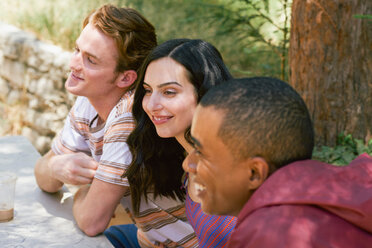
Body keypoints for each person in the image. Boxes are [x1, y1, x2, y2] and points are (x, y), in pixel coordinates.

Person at [183, 77, 372, 248]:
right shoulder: (350, 187)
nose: (188, 164)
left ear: (254, 173)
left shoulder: (271, 234)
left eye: (200, 152)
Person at [33, 3, 157, 246]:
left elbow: (92, 222)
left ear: (126, 78)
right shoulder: (88, 101)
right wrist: (56, 166)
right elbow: (43, 175)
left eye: (90, 60)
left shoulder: (129, 119)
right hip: (147, 234)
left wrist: (82, 191)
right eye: (77, 50)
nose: (73, 64)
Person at [123, 39, 237, 247]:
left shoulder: (233, 172)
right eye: (148, 91)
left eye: (169, 92)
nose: (152, 105)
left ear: (205, 95)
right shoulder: (184, 161)